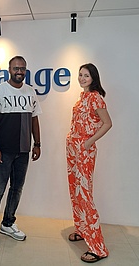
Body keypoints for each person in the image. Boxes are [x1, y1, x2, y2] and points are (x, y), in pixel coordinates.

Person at [0, 56, 42, 251]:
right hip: (4, 152)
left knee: (16, 189)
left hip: (23, 151)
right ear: (9, 70)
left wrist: (37, 144)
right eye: (16, 68)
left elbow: (34, 119)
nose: (19, 71)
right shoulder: (0, 91)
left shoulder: (30, 92)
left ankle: (7, 223)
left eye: (23, 68)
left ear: (26, 70)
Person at [66, 63, 112, 263]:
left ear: (93, 77)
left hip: (84, 150)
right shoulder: (82, 97)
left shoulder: (95, 97)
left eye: (86, 75)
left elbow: (107, 123)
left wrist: (88, 142)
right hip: (72, 149)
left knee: (84, 194)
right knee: (75, 190)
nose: (82, 78)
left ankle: (98, 248)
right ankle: (82, 230)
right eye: (80, 75)